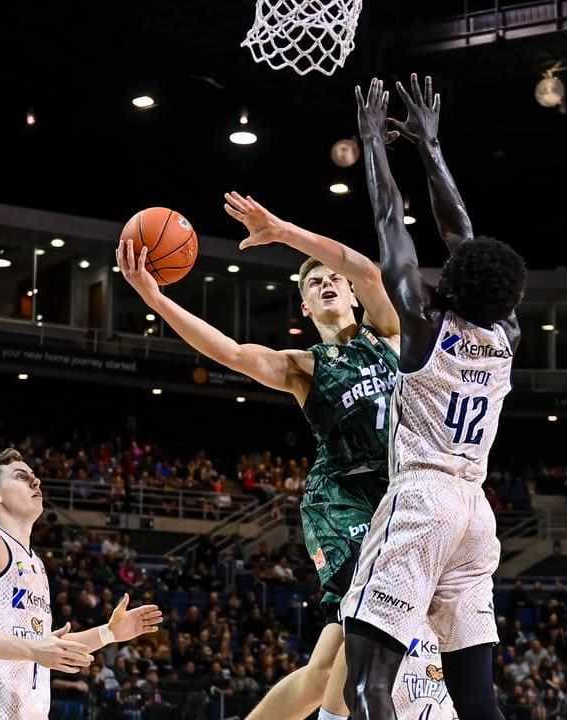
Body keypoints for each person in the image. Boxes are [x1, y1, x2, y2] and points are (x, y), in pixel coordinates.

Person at [117, 180, 402, 720]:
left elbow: (369, 271)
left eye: (332, 278)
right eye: (314, 282)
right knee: (369, 625)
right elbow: (227, 351)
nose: (327, 285)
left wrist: (284, 234)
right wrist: (156, 299)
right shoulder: (304, 366)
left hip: (395, 494)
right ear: (304, 301)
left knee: (329, 661)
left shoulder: (386, 336)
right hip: (340, 501)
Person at [341, 74, 525, 720]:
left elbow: (392, 221)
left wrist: (374, 143)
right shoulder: (505, 332)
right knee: (476, 698)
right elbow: (463, 231)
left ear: (450, 281)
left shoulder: (424, 325)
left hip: (422, 501)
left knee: (365, 686)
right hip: (477, 513)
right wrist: (432, 149)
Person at [0, 449, 163, 720]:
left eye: (34, 477)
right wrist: (34, 649)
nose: (36, 482)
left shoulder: (36, 563)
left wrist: (109, 633)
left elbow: (43, 645)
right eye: (21, 477)